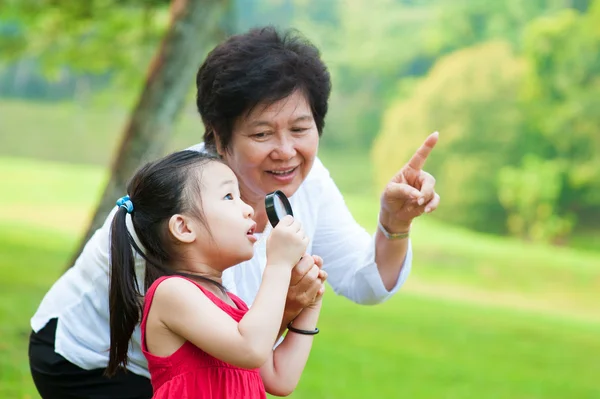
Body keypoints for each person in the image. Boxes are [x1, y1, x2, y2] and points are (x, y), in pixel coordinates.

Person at [29, 26, 440, 398]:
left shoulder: (309, 182)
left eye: (300, 129)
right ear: (219, 139)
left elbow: (366, 281)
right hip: (92, 365)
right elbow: (243, 341)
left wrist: (394, 224)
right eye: (262, 133)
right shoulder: (185, 206)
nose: (285, 151)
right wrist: (288, 300)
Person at [107, 150, 324, 398]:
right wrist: (278, 265)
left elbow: (279, 378)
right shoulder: (171, 292)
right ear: (184, 227)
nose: (249, 210)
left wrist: (310, 302)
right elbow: (251, 349)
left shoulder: (234, 305)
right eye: (229, 196)